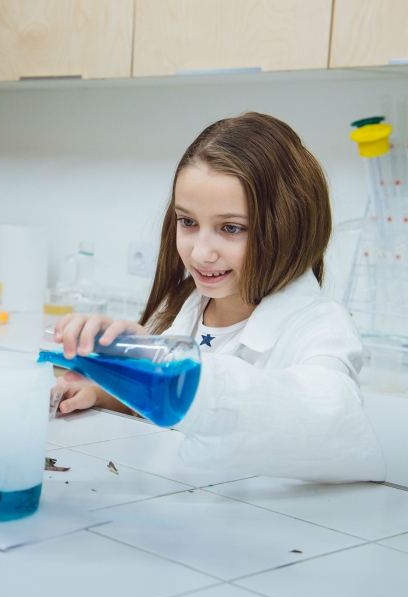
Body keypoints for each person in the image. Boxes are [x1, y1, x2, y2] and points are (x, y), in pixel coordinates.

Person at [53, 112, 385, 483]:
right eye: (187, 222)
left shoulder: (322, 327)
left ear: (288, 226)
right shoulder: (189, 303)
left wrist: (168, 370)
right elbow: (168, 416)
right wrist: (106, 388)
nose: (200, 253)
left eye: (231, 228)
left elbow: (332, 427)